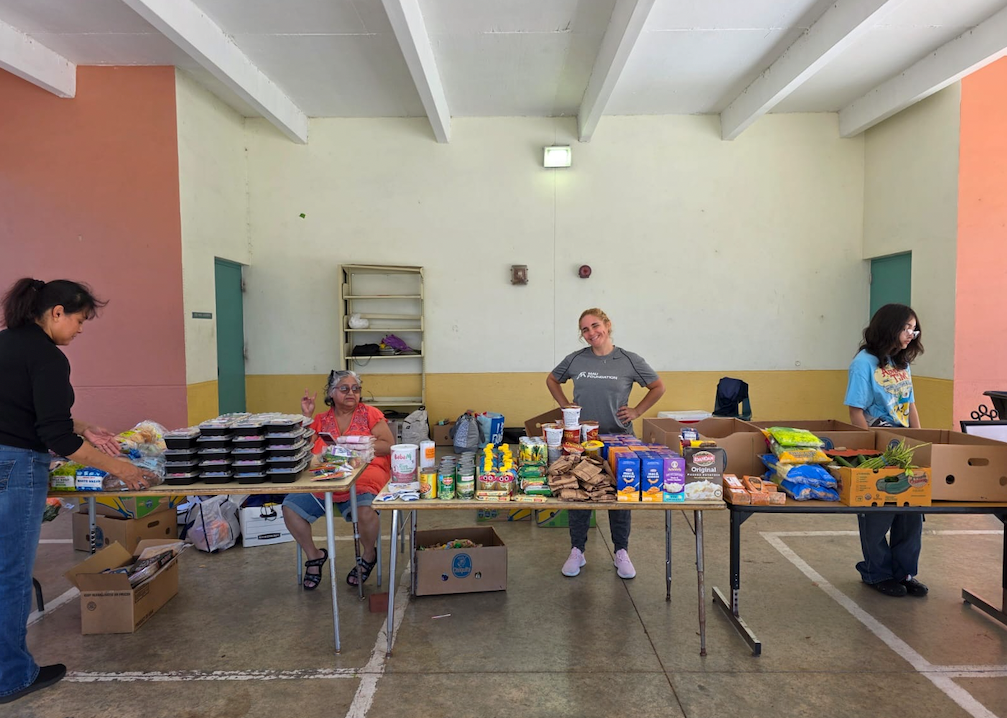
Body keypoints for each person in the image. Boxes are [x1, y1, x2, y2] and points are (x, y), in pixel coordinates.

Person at [0, 278, 152, 705]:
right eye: (80, 321)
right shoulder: (47, 356)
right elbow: (55, 437)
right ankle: (11, 677)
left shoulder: (7, 344)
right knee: (10, 573)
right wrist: (120, 467)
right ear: (57, 313)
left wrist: (85, 426)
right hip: (15, 467)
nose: (81, 331)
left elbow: (22, 408)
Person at [546, 308, 665, 579]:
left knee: (619, 497)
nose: (591, 333)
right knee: (578, 495)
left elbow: (658, 386)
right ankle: (577, 550)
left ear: (608, 325)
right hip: (581, 442)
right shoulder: (575, 360)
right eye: (585, 330)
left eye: (595, 326)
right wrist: (565, 406)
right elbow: (552, 379)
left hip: (618, 440)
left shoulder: (629, 360)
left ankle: (621, 551)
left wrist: (636, 411)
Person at [844, 303, 927, 598]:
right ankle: (876, 572)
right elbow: (856, 410)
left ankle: (904, 573)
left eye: (913, 328)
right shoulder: (864, 363)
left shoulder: (901, 363)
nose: (911, 334)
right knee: (878, 514)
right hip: (877, 445)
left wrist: (920, 441)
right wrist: (868, 450)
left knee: (911, 513)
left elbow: (910, 405)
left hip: (905, 446)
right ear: (889, 327)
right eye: (906, 327)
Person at [283, 370, 393, 589]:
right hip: (326, 481)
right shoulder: (321, 420)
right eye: (344, 388)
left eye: (356, 388)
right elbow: (303, 449)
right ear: (332, 393)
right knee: (290, 508)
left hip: (363, 478)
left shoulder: (370, 414)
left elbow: (388, 444)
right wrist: (306, 416)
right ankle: (314, 555)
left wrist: (359, 447)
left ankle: (369, 554)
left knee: (365, 512)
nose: (351, 393)